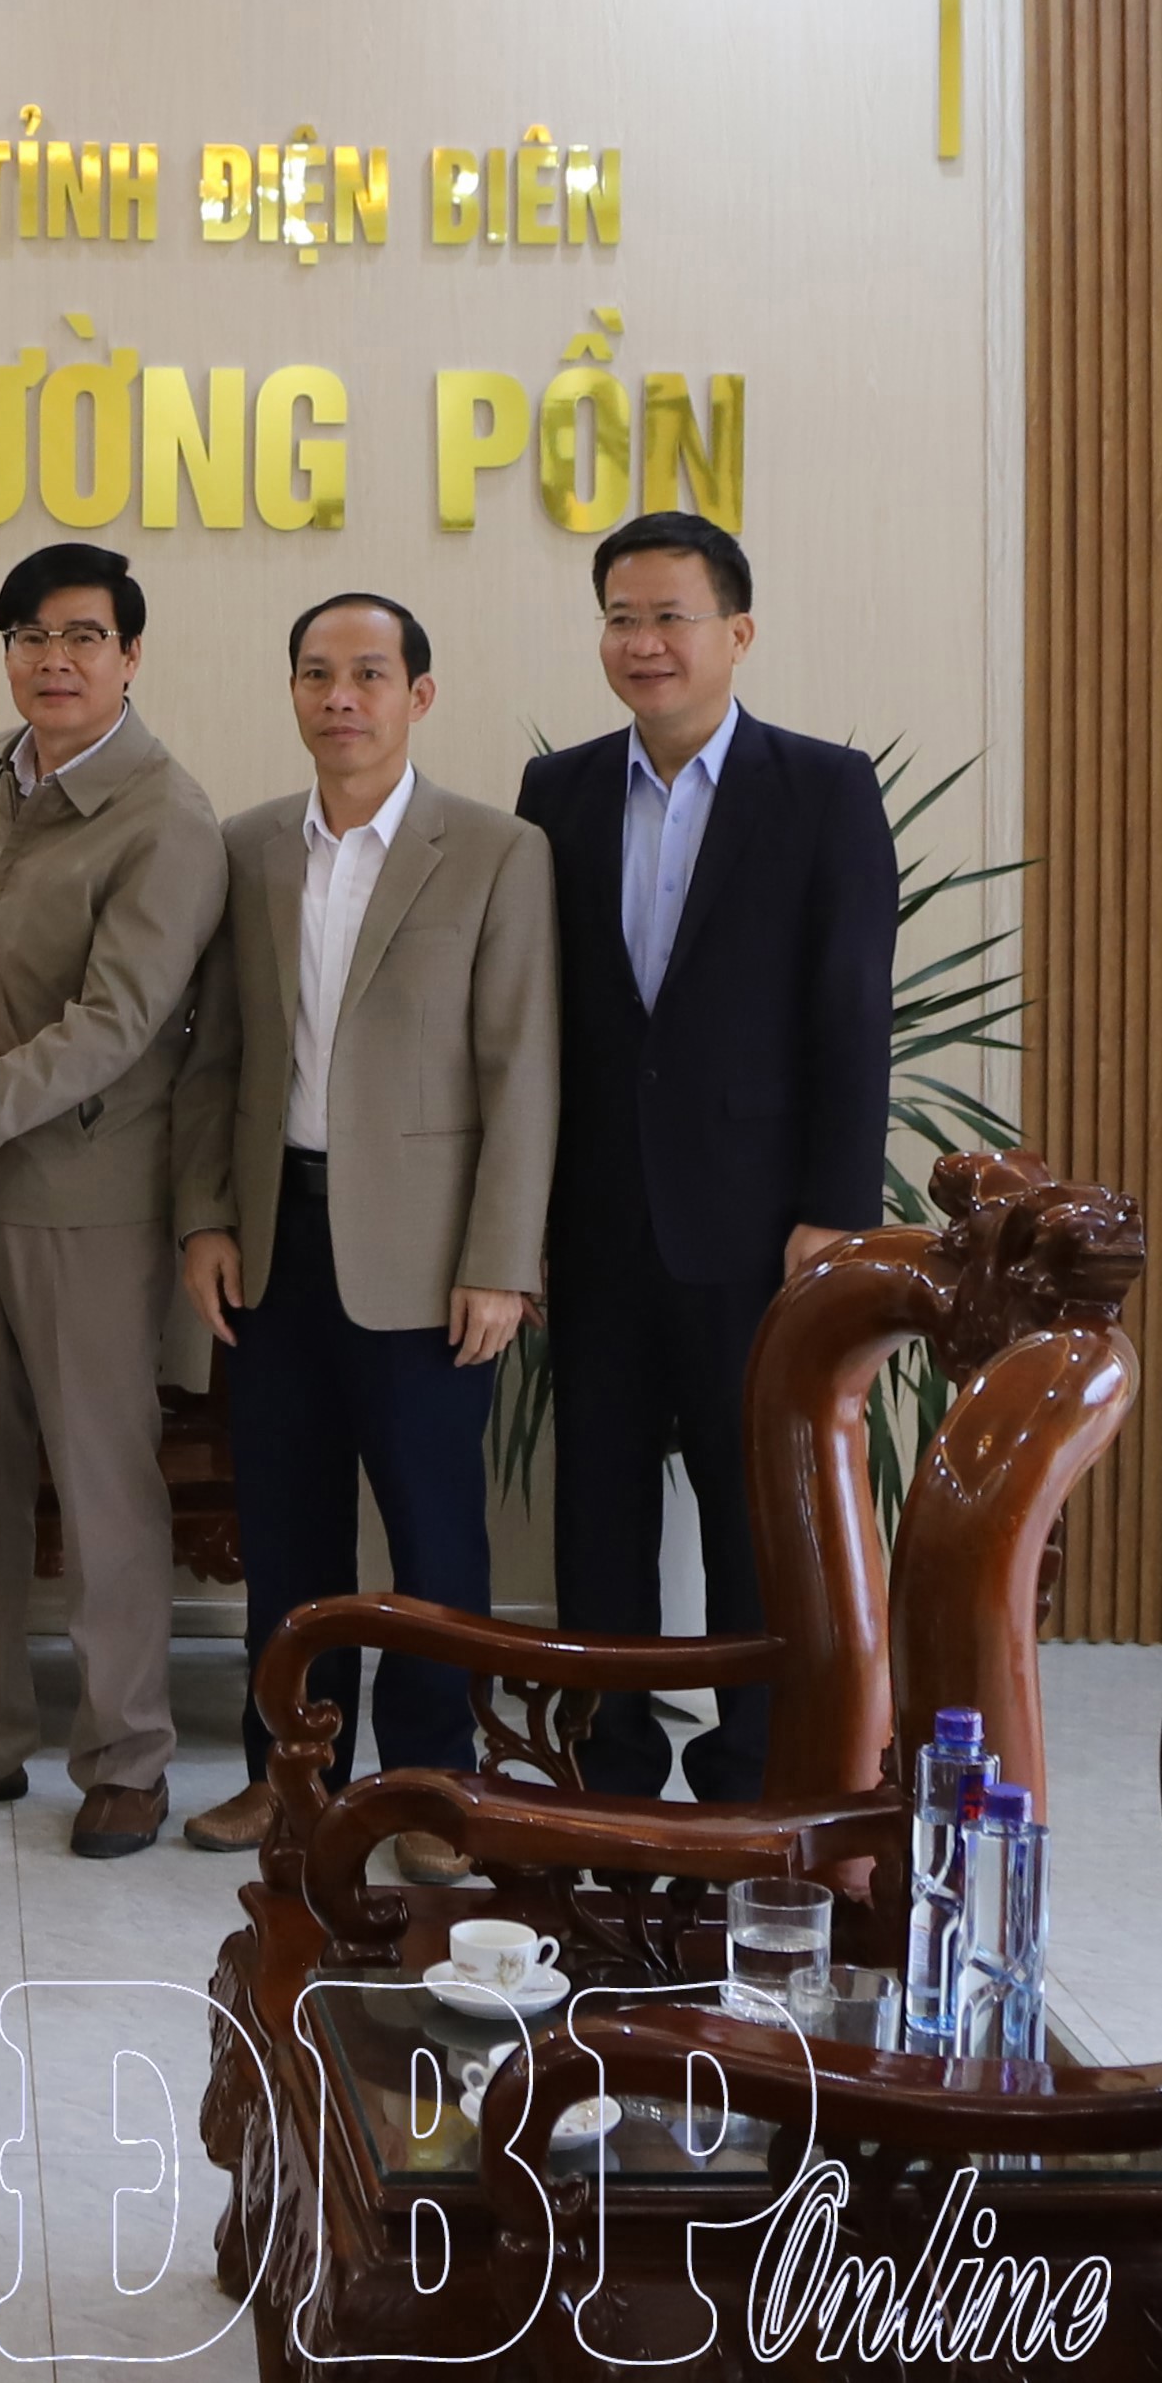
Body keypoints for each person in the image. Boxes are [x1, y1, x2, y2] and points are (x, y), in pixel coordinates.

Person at [173, 593, 557, 1864]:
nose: (340, 696)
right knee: (287, 1528)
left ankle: (435, 1787)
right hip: (274, 1237)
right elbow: (216, 1055)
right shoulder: (246, 847)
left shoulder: (495, 849)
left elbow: (521, 1070)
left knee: (434, 1535)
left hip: (431, 1257)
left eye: (368, 673)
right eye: (315, 673)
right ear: (292, 691)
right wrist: (205, 1216)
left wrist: (501, 1260)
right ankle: (288, 1774)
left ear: (417, 695)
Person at [0, 540, 223, 1855]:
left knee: (101, 1481)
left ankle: (126, 1758)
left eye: (81, 636)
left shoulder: (167, 820)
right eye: (29, 635)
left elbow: (108, 1029)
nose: (53, 659)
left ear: (130, 655)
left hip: (82, 1195)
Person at [517, 511, 894, 1801]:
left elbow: (850, 1010)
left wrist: (833, 1214)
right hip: (597, 1221)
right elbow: (539, 1022)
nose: (643, 642)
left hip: (757, 1229)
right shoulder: (558, 791)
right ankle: (609, 1774)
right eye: (620, 617)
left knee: (754, 1514)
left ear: (736, 631)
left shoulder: (822, 787)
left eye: (669, 616)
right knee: (598, 1509)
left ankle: (751, 1777)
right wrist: (526, 1221)